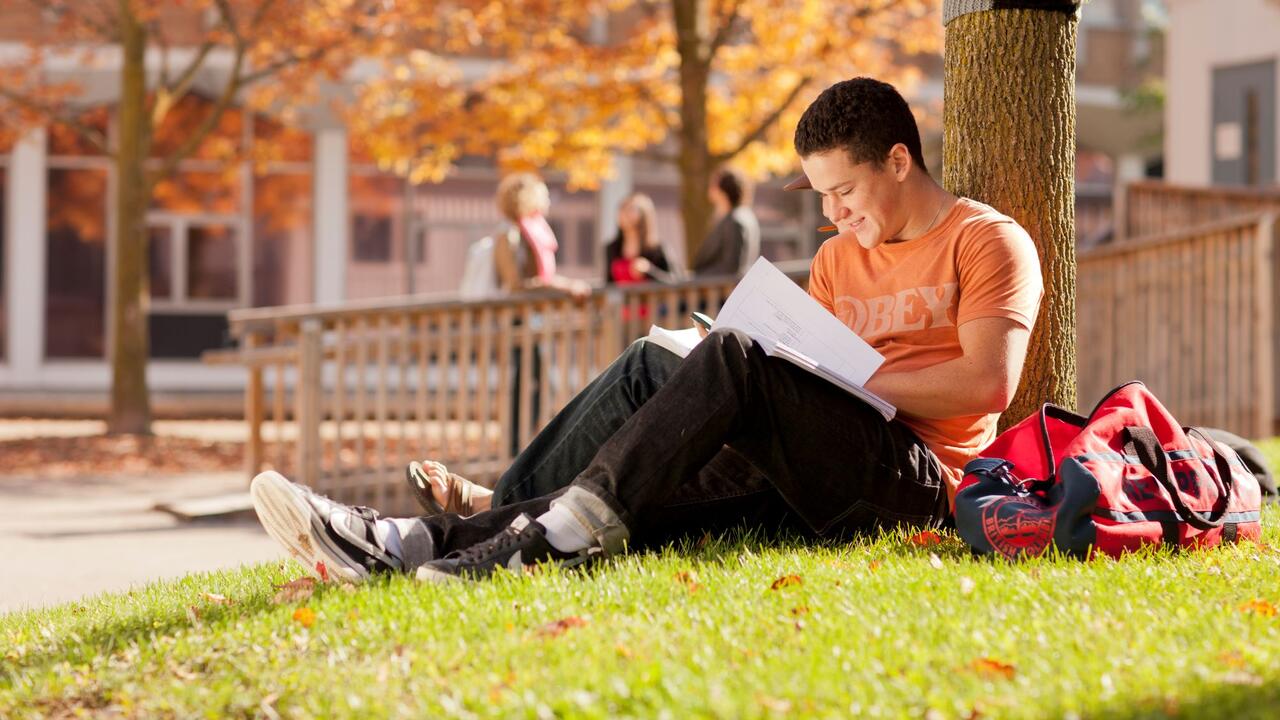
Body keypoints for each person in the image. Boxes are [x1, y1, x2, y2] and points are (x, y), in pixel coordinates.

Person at [250, 77, 1044, 584]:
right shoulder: (839, 259)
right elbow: (809, 380)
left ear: (899, 161)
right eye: (821, 196)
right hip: (810, 463)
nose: (834, 214)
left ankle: (536, 521)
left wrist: (833, 379)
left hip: (914, 479)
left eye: (845, 190)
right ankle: (408, 543)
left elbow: (987, 384)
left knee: (733, 361)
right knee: (650, 367)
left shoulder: (987, 240)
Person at [492, 172, 592, 299]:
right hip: (519, 313)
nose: (548, 200)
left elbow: (542, 277)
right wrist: (562, 286)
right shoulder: (509, 234)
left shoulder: (535, 230)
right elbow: (515, 285)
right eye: (543, 194)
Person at [690, 167, 760, 277]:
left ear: (721, 189)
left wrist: (694, 278)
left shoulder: (736, 221)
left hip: (723, 291)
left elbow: (731, 268)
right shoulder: (743, 216)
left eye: (713, 184)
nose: (709, 188)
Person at [604, 192, 675, 285]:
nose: (624, 214)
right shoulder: (612, 248)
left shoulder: (657, 249)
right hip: (622, 299)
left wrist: (649, 271)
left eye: (631, 210)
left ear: (644, 215)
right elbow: (608, 283)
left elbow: (674, 280)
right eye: (622, 209)